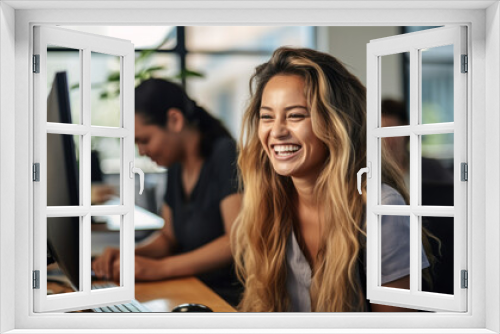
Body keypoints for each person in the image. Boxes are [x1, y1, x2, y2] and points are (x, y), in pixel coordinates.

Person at [232, 47, 432, 312]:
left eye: (295, 115)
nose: (276, 131)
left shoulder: (380, 209)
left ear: (337, 122)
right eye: (267, 116)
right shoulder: (267, 200)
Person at [92, 78, 243, 306]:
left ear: (175, 120)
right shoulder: (176, 165)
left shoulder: (225, 154)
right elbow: (168, 238)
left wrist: (160, 268)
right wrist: (129, 254)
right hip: (190, 290)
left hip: (224, 299)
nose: (142, 151)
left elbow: (236, 241)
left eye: (144, 140)